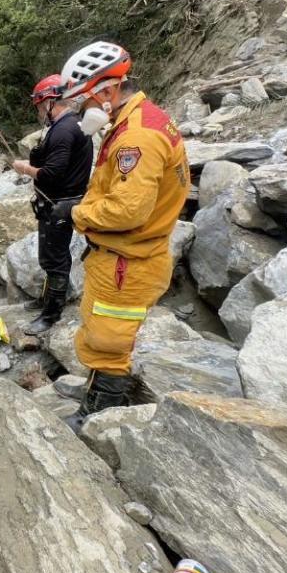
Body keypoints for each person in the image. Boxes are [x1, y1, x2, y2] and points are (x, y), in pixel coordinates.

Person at [48, 42, 190, 432]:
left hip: (129, 259)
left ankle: (100, 413)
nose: (80, 110)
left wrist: (76, 211)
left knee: (110, 339)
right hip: (120, 254)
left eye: (84, 101)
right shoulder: (136, 120)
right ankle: (95, 388)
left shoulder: (136, 138)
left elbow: (130, 210)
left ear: (107, 92)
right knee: (97, 324)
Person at [12, 74, 93, 336]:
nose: (38, 111)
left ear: (49, 102)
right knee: (48, 255)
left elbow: (52, 173)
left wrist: (25, 168)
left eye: (39, 106)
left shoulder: (64, 130)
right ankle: (47, 299)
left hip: (60, 203)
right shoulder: (72, 125)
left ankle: (51, 314)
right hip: (61, 201)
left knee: (55, 258)